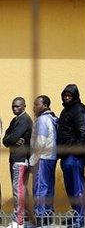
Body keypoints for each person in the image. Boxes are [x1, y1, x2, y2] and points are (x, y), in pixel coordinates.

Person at [57, 84, 85, 227]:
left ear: (75, 96)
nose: (66, 97)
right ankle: (77, 214)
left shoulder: (79, 110)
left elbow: (84, 132)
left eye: (69, 95)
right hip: (66, 155)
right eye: (65, 95)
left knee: (77, 189)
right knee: (71, 189)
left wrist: (77, 151)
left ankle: (81, 219)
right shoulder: (66, 111)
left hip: (74, 156)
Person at [3, 97, 33, 228]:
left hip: (20, 160)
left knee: (18, 191)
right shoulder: (15, 120)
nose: (15, 108)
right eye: (13, 106)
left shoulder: (24, 119)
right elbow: (5, 139)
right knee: (21, 190)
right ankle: (25, 218)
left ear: (24, 106)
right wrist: (11, 139)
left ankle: (18, 221)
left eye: (18, 106)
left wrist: (12, 138)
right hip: (15, 159)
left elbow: (12, 137)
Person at [30, 95, 58, 228]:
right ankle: (48, 216)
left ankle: (41, 218)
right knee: (48, 187)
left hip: (42, 158)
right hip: (51, 157)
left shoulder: (42, 120)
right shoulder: (52, 118)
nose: (34, 107)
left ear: (45, 105)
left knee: (40, 188)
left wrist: (32, 160)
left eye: (36, 104)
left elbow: (40, 142)